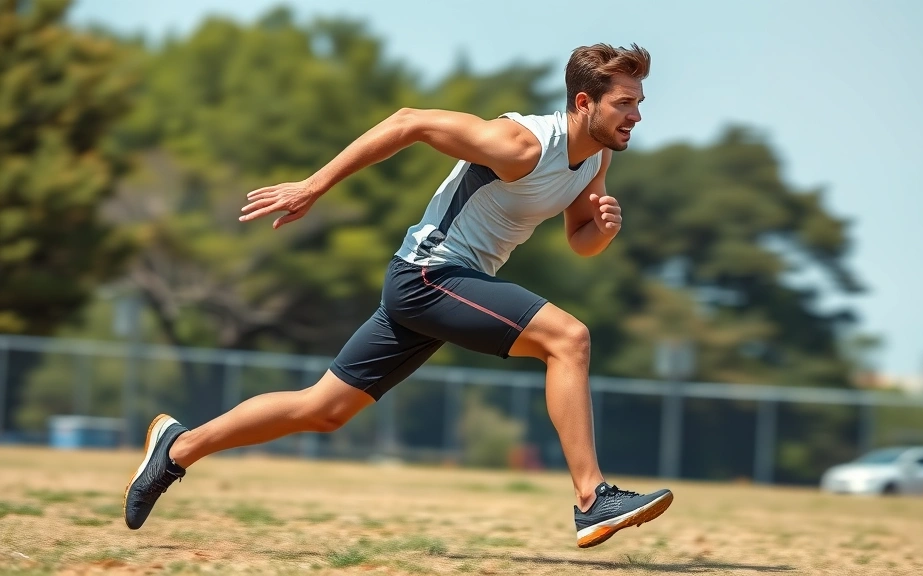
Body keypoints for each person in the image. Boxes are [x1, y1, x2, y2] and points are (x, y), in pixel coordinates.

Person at [123, 42, 673, 549]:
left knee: (323, 409)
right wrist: (312, 186)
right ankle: (591, 498)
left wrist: (603, 231)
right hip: (429, 275)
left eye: (639, 103)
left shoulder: (595, 158)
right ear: (584, 102)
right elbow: (409, 121)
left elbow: (580, 240)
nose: (636, 115)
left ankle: (176, 448)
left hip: (441, 285)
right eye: (624, 103)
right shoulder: (520, 144)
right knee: (568, 338)